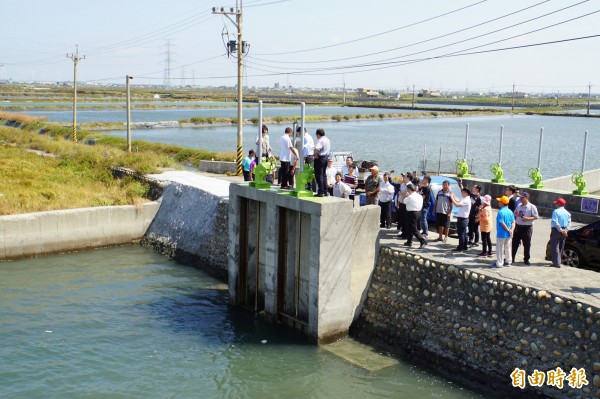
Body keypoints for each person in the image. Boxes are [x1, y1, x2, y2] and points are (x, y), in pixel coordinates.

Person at [512, 192, 539, 265]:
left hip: (527, 228)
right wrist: (517, 214)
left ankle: (526, 259)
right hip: (518, 226)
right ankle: (512, 257)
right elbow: (515, 213)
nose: (520, 199)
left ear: (526, 198)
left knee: (526, 244)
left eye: (522, 197)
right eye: (520, 197)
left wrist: (527, 218)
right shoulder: (519, 205)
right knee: (515, 243)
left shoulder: (532, 206)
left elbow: (536, 217)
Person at [491, 196, 515, 268]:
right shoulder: (510, 211)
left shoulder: (501, 212)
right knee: (508, 247)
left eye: (500, 201)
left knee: (499, 248)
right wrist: (512, 230)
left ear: (502, 203)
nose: (499, 202)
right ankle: (508, 261)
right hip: (509, 234)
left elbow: (502, 222)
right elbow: (513, 221)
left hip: (502, 233)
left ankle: (499, 263)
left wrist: (507, 229)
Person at [403, 183, 427, 248]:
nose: (407, 190)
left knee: (413, 228)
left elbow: (404, 201)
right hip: (418, 212)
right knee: (410, 227)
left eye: (407, 189)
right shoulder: (419, 195)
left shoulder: (410, 197)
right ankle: (409, 241)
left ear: (409, 189)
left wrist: (405, 195)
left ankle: (422, 241)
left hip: (412, 213)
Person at [549, 197, 571, 268]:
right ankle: (558, 261)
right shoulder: (568, 213)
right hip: (565, 231)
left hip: (557, 230)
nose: (555, 205)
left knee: (555, 246)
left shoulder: (556, 211)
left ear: (558, 204)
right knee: (561, 247)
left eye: (556, 203)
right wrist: (566, 230)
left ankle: (556, 263)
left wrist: (561, 230)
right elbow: (569, 223)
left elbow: (556, 222)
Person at [449, 187, 472, 252]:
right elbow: (459, 201)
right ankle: (464, 246)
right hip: (464, 218)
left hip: (463, 219)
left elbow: (457, 204)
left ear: (465, 193)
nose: (461, 193)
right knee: (464, 233)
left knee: (461, 233)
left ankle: (460, 247)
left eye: (462, 192)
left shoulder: (466, 200)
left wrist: (451, 197)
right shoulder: (466, 199)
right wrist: (453, 196)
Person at [313, 128, 331, 197]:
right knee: (324, 175)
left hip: (320, 158)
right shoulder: (327, 139)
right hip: (326, 158)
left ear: (318, 134)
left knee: (319, 175)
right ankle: (326, 191)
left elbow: (316, 148)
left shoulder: (320, 140)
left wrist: (315, 155)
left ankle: (320, 192)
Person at [299, 126, 316, 191]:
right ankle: (309, 186)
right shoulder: (309, 136)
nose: (300, 134)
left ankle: (310, 186)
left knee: (308, 172)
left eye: (300, 133)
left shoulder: (306, 137)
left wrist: (304, 157)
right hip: (310, 156)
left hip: (308, 156)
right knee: (309, 171)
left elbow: (306, 148)